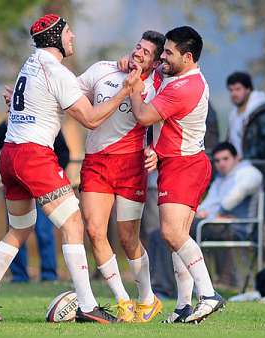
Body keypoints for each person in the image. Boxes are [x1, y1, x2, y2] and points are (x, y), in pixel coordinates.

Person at [0, 14, 140, 323]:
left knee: (19, 229)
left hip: (10, 154)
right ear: (55, 38)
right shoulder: (56, 71)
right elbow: (90, 119)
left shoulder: (30, 64)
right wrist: (126, 91)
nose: (73, 37)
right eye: (69, 32)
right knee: (73, 224)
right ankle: (87, 306)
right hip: (33, 155)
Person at [127, 26, 224, 324]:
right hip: (180, 163)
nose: (163, 58)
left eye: (169, 53)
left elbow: (143, 115)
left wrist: (131, 87)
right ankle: (183, 305)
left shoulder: (185, 87)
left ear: (188, 56)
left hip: (185, 166)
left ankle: (208, 295)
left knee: (171, 233)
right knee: (176, 237)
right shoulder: (175, 75)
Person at [77, 31, 164, 322]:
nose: (139, 53)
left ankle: (148, 298)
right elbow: (70, 95)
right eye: (138, 47)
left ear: (155, 61)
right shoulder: (104, 68)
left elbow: (167, 122)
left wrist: (156, 150)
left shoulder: (158, 85)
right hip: (96, 163)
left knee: (128, 238)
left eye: (147, 53)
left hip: (130, 167)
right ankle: (122, 300)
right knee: (94, 230)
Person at [0, 120, 69, 282]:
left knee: (44, 232)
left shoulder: (45, 122)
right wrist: (7, 122)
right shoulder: (13, 123)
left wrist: (52, 175)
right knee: (17, 231)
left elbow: (64, 153)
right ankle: (19, 275)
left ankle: (49, 275)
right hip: (19, 186)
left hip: (43, 186)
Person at [226, 71, 265, 266]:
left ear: (249, 89)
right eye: (231, 90)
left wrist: (246, 157)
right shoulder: (234, 114)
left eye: (238, 89)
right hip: (239, 177)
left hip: (261, 178)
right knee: (243, 229)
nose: (234, 93)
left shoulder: (263, 115)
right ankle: (252, 279)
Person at [193, 142, 263, 288]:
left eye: (225, 159)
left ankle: (190, 287)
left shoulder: (249, 172)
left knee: (179, 232)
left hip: (239, 227)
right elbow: (207, 205)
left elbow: (235, 196)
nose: (221, 164)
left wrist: (217, 213)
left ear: (237, 158)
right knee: (164, 233)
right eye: (217, 161)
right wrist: (199, 213)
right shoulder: (220, 179)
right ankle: (166, 288)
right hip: (216, 224)